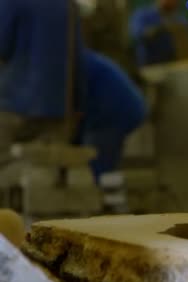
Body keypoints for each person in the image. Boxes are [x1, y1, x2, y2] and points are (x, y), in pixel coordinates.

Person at [0, 0, 146, 179]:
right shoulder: (68, 6)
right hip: (58, 109)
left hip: (16, 104)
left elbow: (3, 45)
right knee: (53, 172)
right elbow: (74, 66)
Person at [129, 0, 188, 66]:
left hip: (174, 64)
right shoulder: (142, 15)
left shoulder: (179, 19)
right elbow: (138, 35)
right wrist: (161, 28)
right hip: (149, 66)